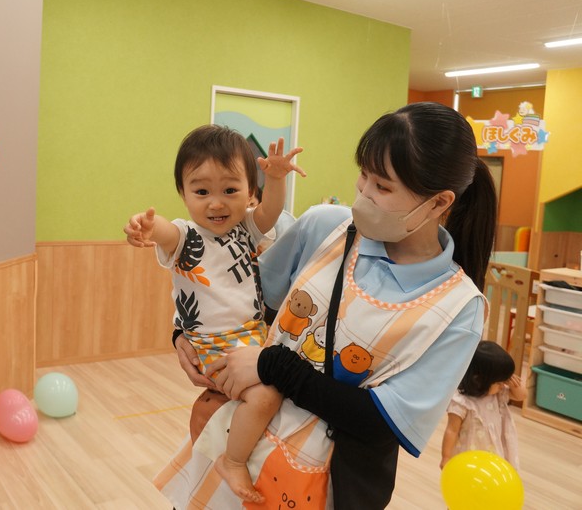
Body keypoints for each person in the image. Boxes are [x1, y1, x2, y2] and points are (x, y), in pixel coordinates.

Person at [153, 102, 498, 509]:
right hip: (232, 446)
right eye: (364, 176)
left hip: (319, 485)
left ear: (439, 202)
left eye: (383, 187)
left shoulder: (459, 308)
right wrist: (182, 334)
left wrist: (272, 365)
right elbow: (239, 292)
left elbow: (381, 422)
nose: (364, 194)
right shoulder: (325, 226)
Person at [124, 124, 306, 503]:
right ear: (184, 193)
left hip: (254, 337)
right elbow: (165, 231)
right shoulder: (186, 237)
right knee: (265, 396)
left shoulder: (245, 229)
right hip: (214, 346)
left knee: (277, 394)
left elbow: (271, 211)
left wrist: (275, 178)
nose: (216, 203)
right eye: (202, 191)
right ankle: (232, 461)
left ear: (250, 192)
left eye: (230, 190)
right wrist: (147, 225)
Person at [440, 340, 526, 471]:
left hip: (494, 454)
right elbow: (452, 430)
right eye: (499, 382)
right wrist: (446, 457)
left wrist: (513, 383)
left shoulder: (497, 394)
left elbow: (521, 396)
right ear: (478, 380)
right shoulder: (461, 402)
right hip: (468, 455)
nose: (503, 385)